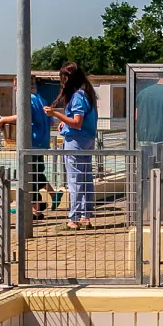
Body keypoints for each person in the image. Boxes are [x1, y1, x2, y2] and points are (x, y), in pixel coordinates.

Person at [0, 76, 57, 219]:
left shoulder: (27, 99)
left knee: (30, 177)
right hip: (43, 142)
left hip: (31, 142)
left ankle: (35, 209)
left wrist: (4, 119)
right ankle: (43, 199)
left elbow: (23, 117)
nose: (15, 89)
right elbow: (51, 122)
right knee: (37, 173)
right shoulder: (42, 100)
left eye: (16, 86)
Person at [45, 62, 98, 229]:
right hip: (87, 140)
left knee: (75, 180)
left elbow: (77, 122)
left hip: (76, 142)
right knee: (86, 178)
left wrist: (55, 114)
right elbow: (77, 121)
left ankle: (73, 219)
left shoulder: (77, 96)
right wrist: (65, 124)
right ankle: (85, 216)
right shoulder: (87, 94)